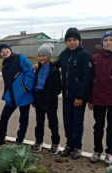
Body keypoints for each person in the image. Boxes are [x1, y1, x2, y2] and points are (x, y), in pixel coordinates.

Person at [35, 28, 92, 159]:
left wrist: (80, 96)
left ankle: (77, 147)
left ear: (79, 40)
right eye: (69, 40)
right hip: (66, 95)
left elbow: (87, 78)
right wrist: (40, 64)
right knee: (67, 121)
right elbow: (54, 66)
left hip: (78, 96)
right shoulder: (64, 54)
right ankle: (69, 145)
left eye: (74, 40)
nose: (71, 43)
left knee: (77, 121)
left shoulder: (84, 54)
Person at [88, 31, 112, 165]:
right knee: (98, 126)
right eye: (106, 40)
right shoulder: (95, 58)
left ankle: (110, 153)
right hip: (98, 99)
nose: (108, 42)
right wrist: (90, 99)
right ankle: (97, 151)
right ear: (102, 42)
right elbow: (91, 80)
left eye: (111, 40)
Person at [0, 44, 35, 147]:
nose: (4, 51)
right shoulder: (4, 66)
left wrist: (26, 88)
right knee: (4, 117)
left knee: (23, 119)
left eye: (5, 49)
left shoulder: (20, 58)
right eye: (1, 51)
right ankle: (1, 138)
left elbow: (29, 72)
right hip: (11, 97)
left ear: (10, 50)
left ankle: (19, 141)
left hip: (24, 96)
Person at [32, 43, 62, 154]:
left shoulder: (54, 70)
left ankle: (55, 143)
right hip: (39, 97)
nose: (41, 58)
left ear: (48, 56)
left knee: (52, 122)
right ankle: (39, 141)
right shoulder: (37, 68)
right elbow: (35, 84)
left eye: (43, 55)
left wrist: (51, 99)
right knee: (39, 122)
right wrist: (34, 100)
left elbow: (58, 87)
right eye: (39, 56)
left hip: (50, 99)